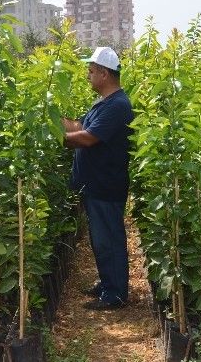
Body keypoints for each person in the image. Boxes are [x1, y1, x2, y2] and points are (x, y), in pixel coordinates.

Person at [61, 46, 134, 311]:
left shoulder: (118, 105)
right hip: (95, 184)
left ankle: (115, 294)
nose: (88, 76)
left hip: (106, 184)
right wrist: (51, 120)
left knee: (109, 239)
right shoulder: (104, 103)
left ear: (104, 74)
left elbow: (88, 138)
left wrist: (55, 138)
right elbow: (80, 126)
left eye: (91, 72)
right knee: (100, 239)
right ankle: (107, 283)